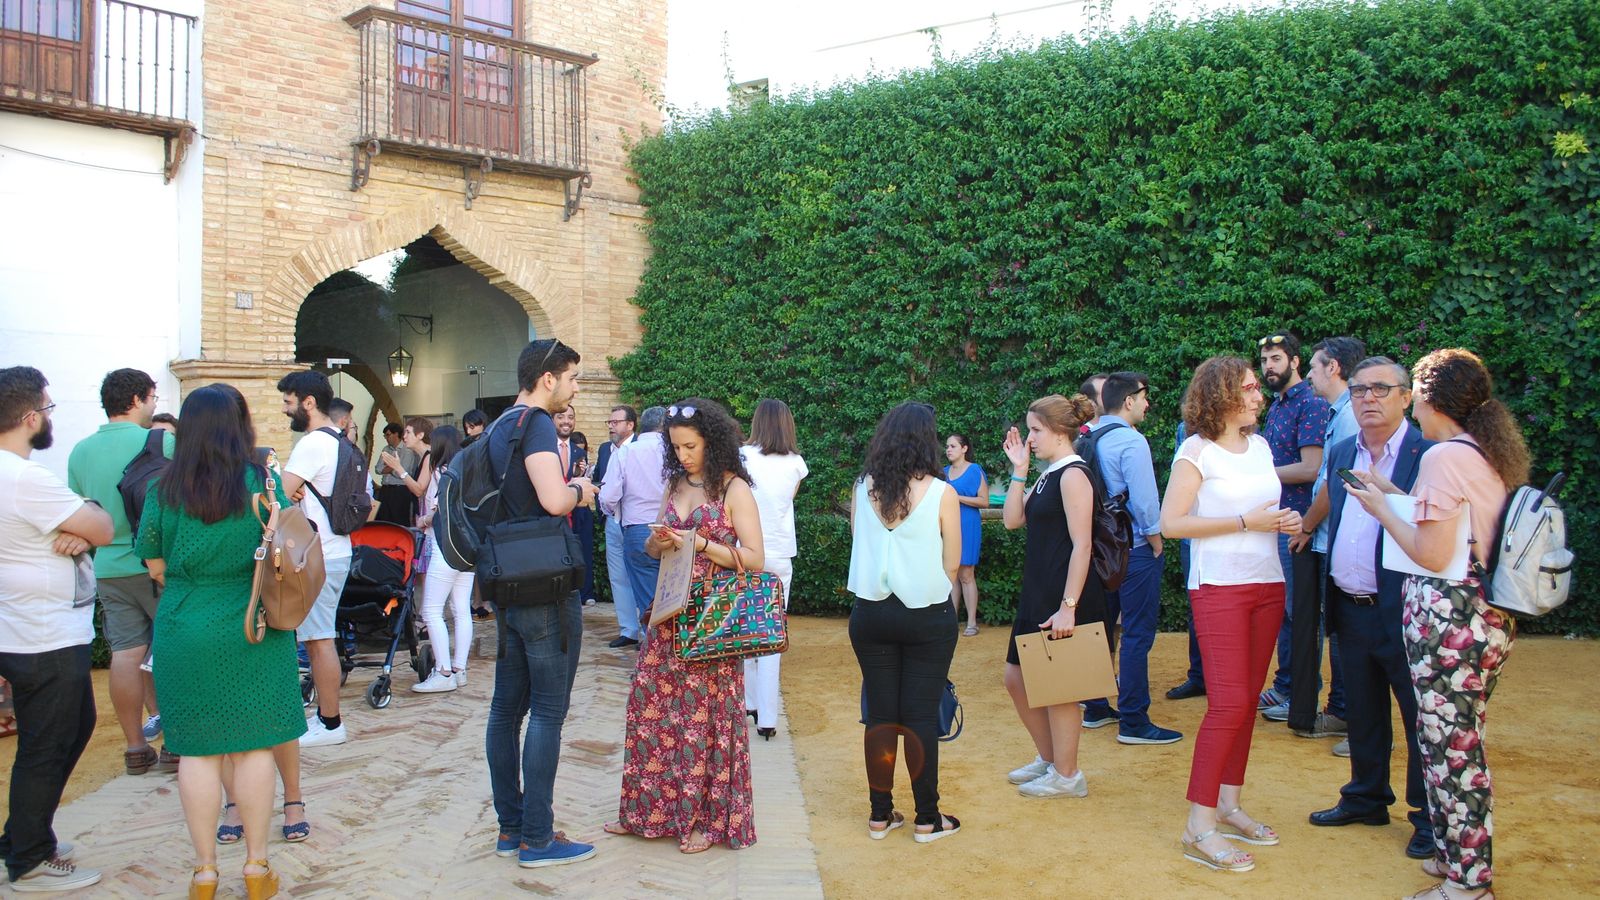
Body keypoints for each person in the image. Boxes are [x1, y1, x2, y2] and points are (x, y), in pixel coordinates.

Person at [1344, 348, 1527, 900]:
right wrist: (1392, 497)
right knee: (1446, 743)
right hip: (1479, 618)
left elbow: (1430, 550)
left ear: (1427, 397)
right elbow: (1447, 523)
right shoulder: (1477, 451)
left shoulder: (1443, 457)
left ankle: (1470, 884)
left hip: (1453, 622)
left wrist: (1379, 512)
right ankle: (1454, 861)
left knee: (1454, 752)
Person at [136, 385, 305, 900]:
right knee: (255, 747)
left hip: (185, 624)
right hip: (252, 623)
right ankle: (256, 867)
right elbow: (282, 547)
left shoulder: (164, 489)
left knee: (195, 753)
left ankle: (205, 871)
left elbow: (155, 565)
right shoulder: (262, 482)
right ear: (240, 426)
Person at [1160, 356, 1301, 873]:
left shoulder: (1261, 447)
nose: (1260, 394)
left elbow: (1262, 511)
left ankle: (1228, 803)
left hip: (1268, 582)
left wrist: (1283, 521)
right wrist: (1246, 520)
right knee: (1229, 704)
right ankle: (1198, 826)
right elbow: (1171, 523)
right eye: (1249, 387)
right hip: (1219, 587)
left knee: (1243, 705)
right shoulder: (1195, 452)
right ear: (1222, 395)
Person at [604, 399, 764, 853]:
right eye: (677, 447)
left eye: (690, 446)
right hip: (668, 614)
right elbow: (658, 551)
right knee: (649, 706)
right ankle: (644, 812)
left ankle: (701, 822)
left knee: (701, 718)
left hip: (712, 619)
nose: (684, 454)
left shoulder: (735, 490)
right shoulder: (675, 483)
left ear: (712, 442)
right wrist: (658, 541)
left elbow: (755, 558)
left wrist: (701, 543)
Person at [1304, 358, 1435, 861]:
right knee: (1361, 709)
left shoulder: (1428, 456)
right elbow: (1332, 515)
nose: (1368, 399)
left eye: (1381, 389)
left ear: (1407, 397)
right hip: (1349, 605)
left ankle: (1427, 817)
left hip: (1405, 607)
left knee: (1420, 714)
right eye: (1359, 390)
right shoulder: (1340, 450)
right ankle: (1366, 796)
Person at [484, 338, 599, 869]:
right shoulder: (534, 424)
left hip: (506, 578)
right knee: (549, 710)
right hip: (545, 583)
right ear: (548, 378)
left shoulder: (497, 425)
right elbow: (553, 500)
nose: (575, 387)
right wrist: (580, 489)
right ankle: (538, 837)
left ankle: (512, 829)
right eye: (573, 378)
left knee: (506, 710)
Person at [0, 366, 114, 893]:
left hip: (27, 628)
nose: (50, 419)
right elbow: (104, 527)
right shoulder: (24, 478)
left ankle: (27, 836)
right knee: (48, 745)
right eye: (47, 410)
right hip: (43, 634)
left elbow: (88, 529)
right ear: (28, 418)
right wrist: (84, 522)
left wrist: (79, 527)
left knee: (71, 729)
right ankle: (28, 860)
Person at [847, 402, 961, 841]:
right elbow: (952, 562)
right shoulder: (941, 492)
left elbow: (861, 540)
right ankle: (927, 818)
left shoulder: (863, 488)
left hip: (871, 613)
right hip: (927, 616)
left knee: (880, 715)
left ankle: (880, 815)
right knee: (917, 717)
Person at [65, 368, 178, 776]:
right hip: (157, 564)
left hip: (108, 567)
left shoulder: (80, 450)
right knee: (169, 652)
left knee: (126, 654)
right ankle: (175, 744)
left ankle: (135, 746)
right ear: (137, 399)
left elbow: (81, 510)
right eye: (152, 398)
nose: (153, 406)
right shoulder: (162, 441)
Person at [1000, 393, 1110, 799]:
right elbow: (1013, 521)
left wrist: (1069, 608)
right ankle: (1051, 760)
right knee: (1017, 677)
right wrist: (1020, 471)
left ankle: (1068, 775)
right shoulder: (1050, 472)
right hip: (1039, 590)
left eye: (1035, 430)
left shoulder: (1074, 474)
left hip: (1065, 596)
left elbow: (1083, 546)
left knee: (1060, 688)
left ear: (1061, 432)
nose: (1029, 438)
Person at [1080, 372, 1182, 745]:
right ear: (1128, 401)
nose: (1147, 403)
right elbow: (1143, 501)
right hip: (1133, 548)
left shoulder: (1085, 438)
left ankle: (1094, 706)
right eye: (1143, 397)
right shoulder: (1132, 442)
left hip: (1096, 550)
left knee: (1097, 629)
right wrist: (1155, 540)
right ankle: (1134, 720)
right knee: (1137, 634)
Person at [1289, 335, 1366, 745]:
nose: (1311, 375)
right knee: (1335, 630)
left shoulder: (1349, 415)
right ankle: (1341, 711)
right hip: (1330, 540)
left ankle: (1346, 714)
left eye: (1315, 367)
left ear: (1333, 368)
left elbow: (1333, 485)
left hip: (1334, 540)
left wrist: (1305, 526)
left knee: (1341, 631)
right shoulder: (1340, 412)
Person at [1256, 331, 1332, 723]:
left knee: (1301, 613)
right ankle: (1286, 686)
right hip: (1277, 522)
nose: (1269, 366)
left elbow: (1311, 468)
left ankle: (1300, 691)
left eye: (1276, 359)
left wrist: (1258, 474)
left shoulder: (1312, 405)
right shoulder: (1277, 406)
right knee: (1286, 612)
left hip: (1300, 526)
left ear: (1295, 361)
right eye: (1265, 360)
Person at [276, 370, 353, 748]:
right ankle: (326, 716)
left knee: (318, 640)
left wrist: (282, 486)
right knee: (318, 637)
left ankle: (331, 722)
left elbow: (277, 495)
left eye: (289, 402)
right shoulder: (337, 440)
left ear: (309, 402)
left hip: (317, 554)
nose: (286, 410)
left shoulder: (311, 445)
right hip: (335, 549)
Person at [740, 399, 809, 738]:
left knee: (743, 629)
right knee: (772, 632)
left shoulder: (741, 457)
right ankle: (767, 717)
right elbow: (786, 502)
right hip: (779, 552)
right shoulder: (797, 463)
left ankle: (748, 702)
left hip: (745, 550)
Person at [597, 406, 668, 648]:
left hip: (637, 528)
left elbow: (608, 495)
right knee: (671, 590)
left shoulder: (626, 453)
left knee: (646, 593)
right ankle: (664, 647)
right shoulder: (677, 451)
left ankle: (654, 649)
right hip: (674, 528)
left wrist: (612, 512)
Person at [413, 426, 473, 693]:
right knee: (461, 608)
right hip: (467, 549)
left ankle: (443, 671)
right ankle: (459, 668)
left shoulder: (441, 472)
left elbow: (437, 512)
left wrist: (423, 520)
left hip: (444, 546)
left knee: (431, 610)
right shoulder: (467, 471)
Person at [595, 405, 639, 641]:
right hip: (612, 519)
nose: (611, 425)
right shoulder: (605, 450)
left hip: (635, 520)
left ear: (630, 425)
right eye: (609, 422)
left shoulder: (641, 447)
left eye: (616, 422)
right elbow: (599, 481)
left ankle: (645, 631)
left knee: (639, 575)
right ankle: (628, 630)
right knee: (618, 576)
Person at [941, 433, 986, 637]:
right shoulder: (942, 473)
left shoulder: (975, 470)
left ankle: (971, 622)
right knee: (950, 575)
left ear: (964, 448)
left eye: (953, 446)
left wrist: (955, 497)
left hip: (968, 524)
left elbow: (984, 501)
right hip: (947, 525)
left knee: (967, 574)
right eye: (947, 446)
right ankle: (950, 622)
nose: (948, 449)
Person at [381, 417, 434, 518]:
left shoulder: (429, 456)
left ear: (420, 435)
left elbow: (419, 490)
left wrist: (398, 468)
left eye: (408, 432)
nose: (404, 436)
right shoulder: (423, 456)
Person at [373, 423, 419, 526]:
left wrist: (391, 467)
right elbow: (378, 469)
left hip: (400, 490)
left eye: (388, 435)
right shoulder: (386, 449)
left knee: (399, 521)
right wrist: (394, 466)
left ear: (396, 434)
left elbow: (402, 473)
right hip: (385, 489)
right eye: (385, 435)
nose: (386, 438)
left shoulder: (407, 451)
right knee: (383, 520)